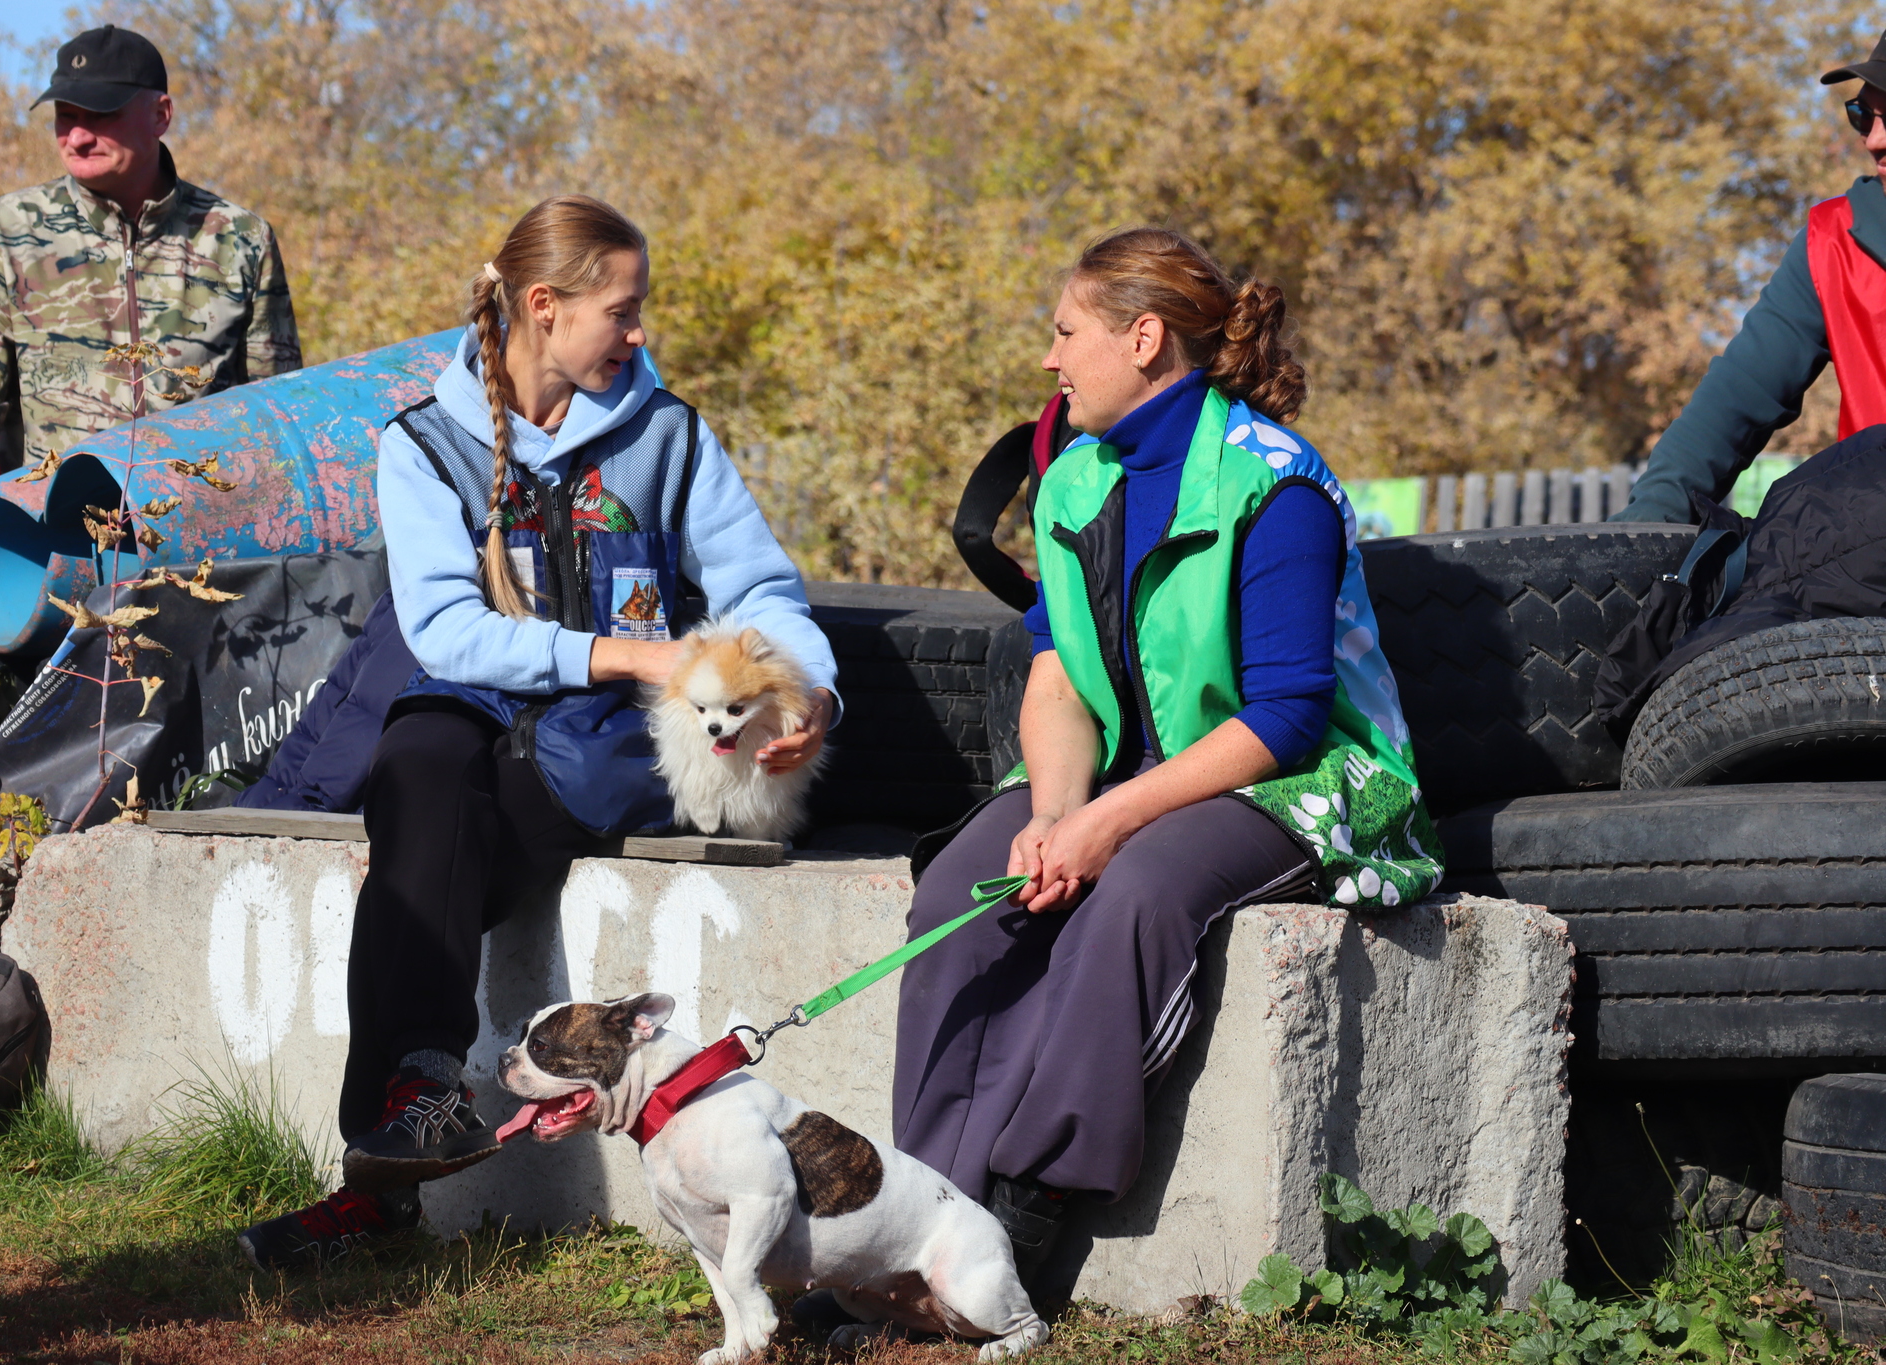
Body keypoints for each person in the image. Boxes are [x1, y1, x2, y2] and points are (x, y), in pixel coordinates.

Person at [236, 195, 840, 1269]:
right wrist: (624, 653)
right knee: (418, 768)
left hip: (594, 740)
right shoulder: (424, 444)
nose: (640, 331)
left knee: (454, 837)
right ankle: (421, 1093)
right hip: (478, 697)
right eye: (625, 308)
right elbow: (446, 630)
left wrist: (813, 690)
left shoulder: (669, 434)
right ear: (546, 309)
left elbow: (759, 586)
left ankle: (379, 1184)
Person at [888, 228, 1443, 1280]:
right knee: (958, 895)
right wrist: (1055, 811)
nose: (1048, 360)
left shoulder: (1271, 484)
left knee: (1135, 891)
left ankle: (1027, 1211)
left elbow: (1283, 718)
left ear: (1141, 338)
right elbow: (1056, 671)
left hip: (1304, 775)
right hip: (1113, 767)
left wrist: (1106, 823)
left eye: (1064, 333)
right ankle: (921, 1214)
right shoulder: (1070, 481)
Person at [0, 23, 301, 606]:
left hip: (210, 566)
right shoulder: (6, 233)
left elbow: (276, 410)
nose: (76, 135)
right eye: (63, 116)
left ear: (161, 114)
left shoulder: (239, 238)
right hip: (55, 566)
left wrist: (288, 543)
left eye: (99, 115)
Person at [1619, 32, 1886, 523]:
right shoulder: (1833, 241)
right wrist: (1641, 537)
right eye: (1863, 115)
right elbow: (1738, 396)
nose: (1873, 139)